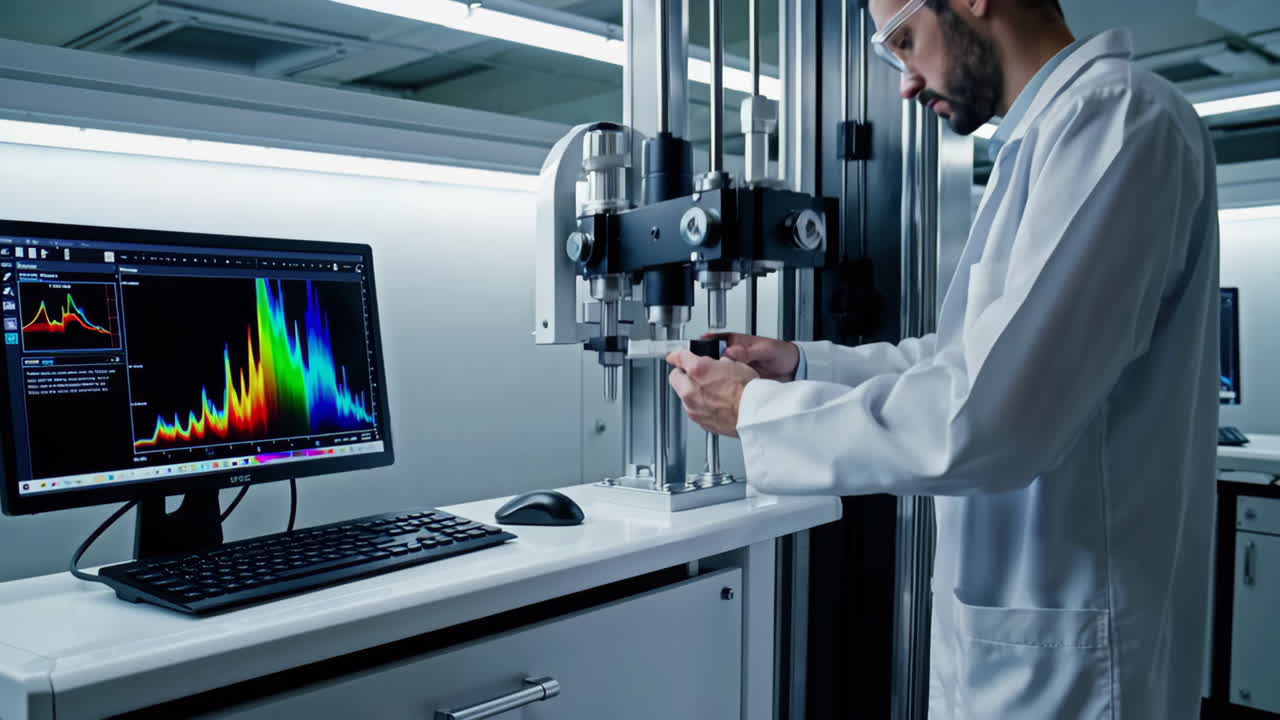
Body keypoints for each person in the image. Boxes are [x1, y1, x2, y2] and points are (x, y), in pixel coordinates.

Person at [666, 0, 1219, 718]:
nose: (903, 82)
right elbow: (964, 363)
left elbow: (989, 420)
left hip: (1078, 661)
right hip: (1029, 642)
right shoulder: (1048, 137)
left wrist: (756, 411)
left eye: (904, 41)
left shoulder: (1116, 120)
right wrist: (802, 367)